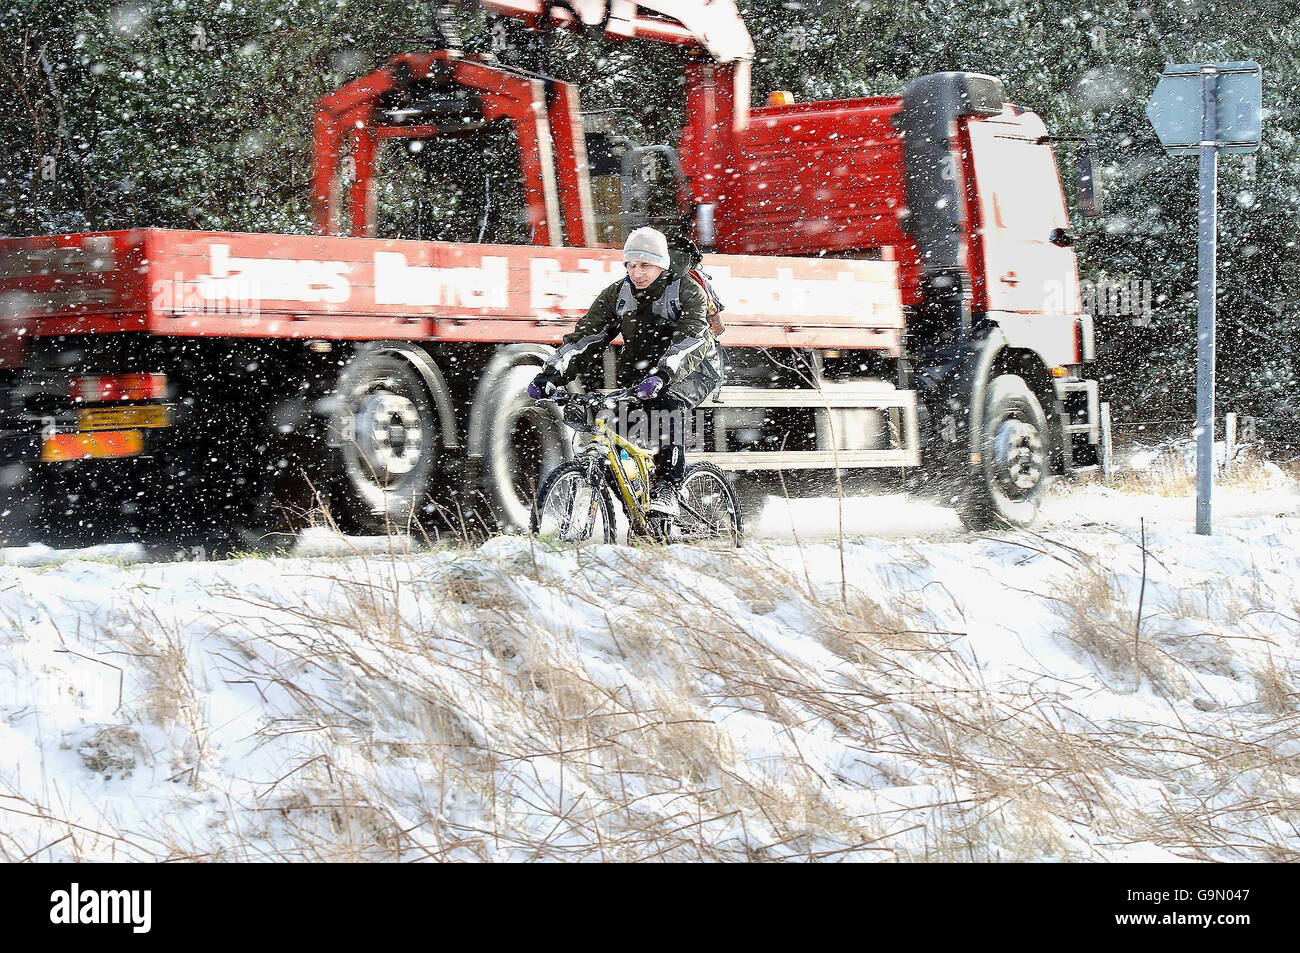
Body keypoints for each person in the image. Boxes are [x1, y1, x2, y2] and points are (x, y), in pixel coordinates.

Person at [529, 226, 725, 519]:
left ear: (662, 263)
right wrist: (552, 373)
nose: (637, 272)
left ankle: (670, 487)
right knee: (611, 431)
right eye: (631, 265)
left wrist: (662, 376)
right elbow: (587, 339)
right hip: (643, 372)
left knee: (667, 405)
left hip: (696, 367)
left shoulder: (687, 291)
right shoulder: (618, 295)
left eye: (645, 265)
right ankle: (638, 512)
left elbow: (690, 340)